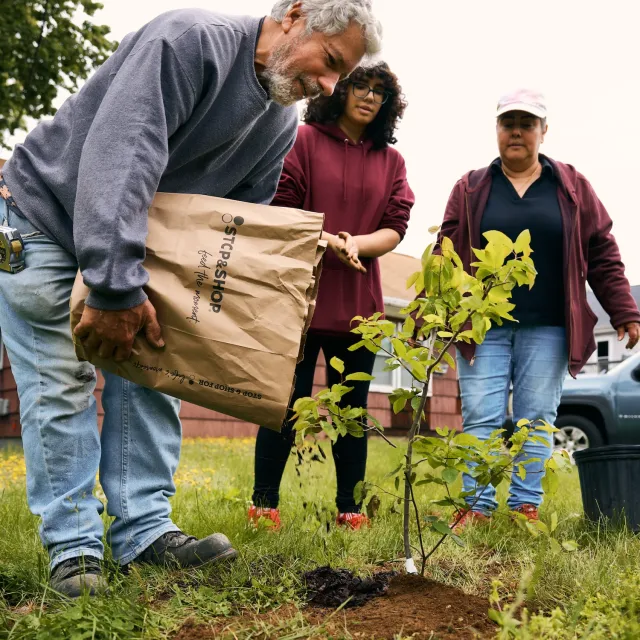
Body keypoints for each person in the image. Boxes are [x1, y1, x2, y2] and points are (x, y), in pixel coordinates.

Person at [0, 0, 382, 596]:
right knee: (60, 380)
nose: (329, 86)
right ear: (295, 15)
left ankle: (144, 532)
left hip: (138, 242)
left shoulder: (279, 121)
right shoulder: (189, 42)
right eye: (331, 62)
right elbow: (123, 157)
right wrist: (112, 285)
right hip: (45, 219)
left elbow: (232, 223)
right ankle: (74, 551)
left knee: (155, 366)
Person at [438, 89, 640, 529]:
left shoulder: (572, 186)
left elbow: (601, 250)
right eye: (507, 123)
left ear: (543, 132)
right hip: (483, 325)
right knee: (481, 414)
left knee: (536, 418)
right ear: (496, 130)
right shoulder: (471, 187)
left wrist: (624, 308)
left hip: (548, 327)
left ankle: (525, 506)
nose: (516, 132)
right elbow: (445, 256)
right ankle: (478, 506)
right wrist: (424, 316)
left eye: (526, 124)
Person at [249, 62, 414, 531]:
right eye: (359, 84)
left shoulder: (392, 161)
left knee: (353, 411)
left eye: (379, 91)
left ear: (387, 104)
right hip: (299, 298)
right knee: (284, 405)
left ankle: (350, 511)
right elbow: (282, 207)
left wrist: (354, 245)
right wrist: (328, 242)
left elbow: (395, 227)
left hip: (360, 308)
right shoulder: (303, 140)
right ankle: (264, 508)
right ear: (339, 90)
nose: (368, 95)